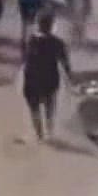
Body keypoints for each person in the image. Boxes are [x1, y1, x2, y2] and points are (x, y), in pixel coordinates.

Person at [21, 10, 72, 141]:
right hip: (50, 79)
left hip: (32, 79)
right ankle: (50, 132)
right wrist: (70, 80)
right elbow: (65, 64)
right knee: (49, 106)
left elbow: (25, 59)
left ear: (38, 24)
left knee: (34, 108)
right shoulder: (58, 43)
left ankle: (39, 135)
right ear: (52, 25)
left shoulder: (30, 40)